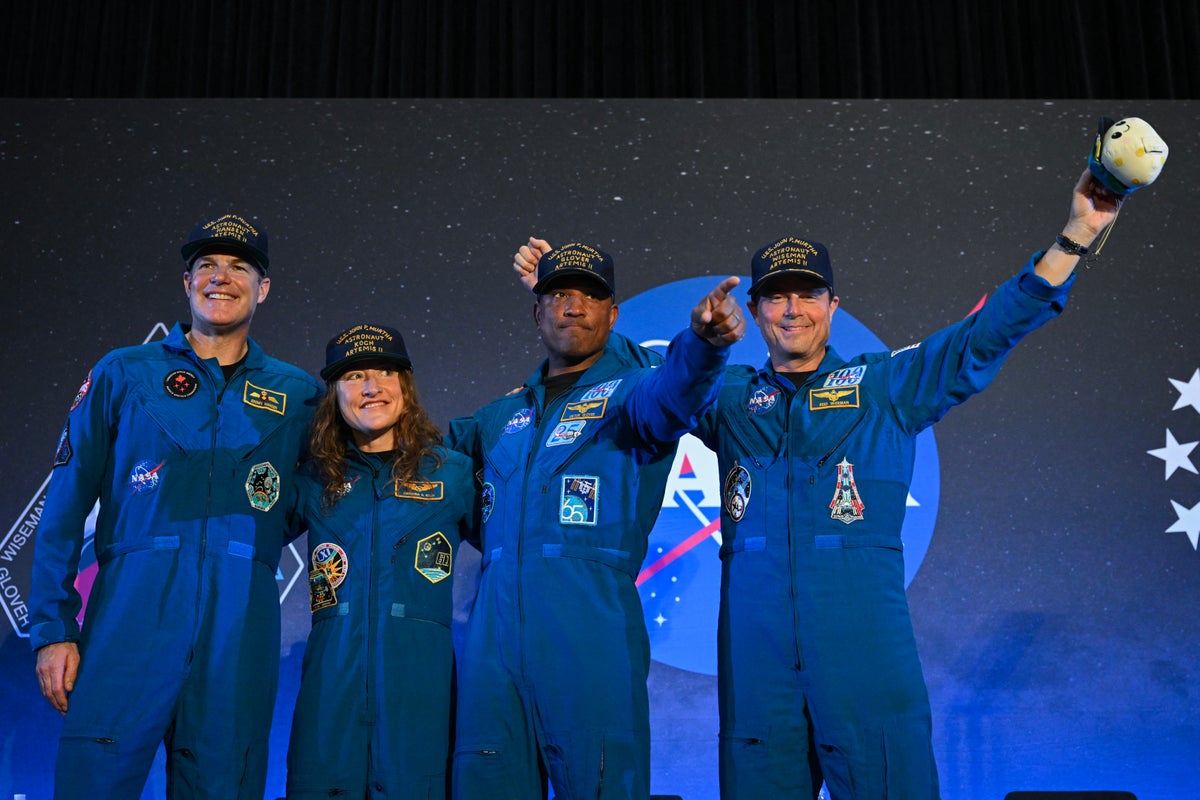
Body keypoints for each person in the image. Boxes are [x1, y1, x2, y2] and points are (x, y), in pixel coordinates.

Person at [513, 168, 1123, 799]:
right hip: (757, 661)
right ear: (755, 311)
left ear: (833, 305)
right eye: (776, 297)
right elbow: (649, 375)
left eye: (808, 294)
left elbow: (984, 335)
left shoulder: (884, 386)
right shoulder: (727, 397)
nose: (792, 310)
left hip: (863, 650)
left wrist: (1075, 236)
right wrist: (563, 301)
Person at [28, 214, 323, 799]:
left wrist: (248, 541)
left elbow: (311, 500)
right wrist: (53, 630)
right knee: (94, 783)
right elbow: (64, 504)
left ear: (263, 288)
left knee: (224, 783)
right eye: (206, 265)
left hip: (239, 622)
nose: (221, 277)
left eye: (239, 267)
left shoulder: (298, 394)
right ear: (187, 283)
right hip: (131, 614)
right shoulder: (124, 371)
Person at [447, 242, 746, 799]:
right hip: (494, 650)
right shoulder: (496, 418)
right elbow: (418, 466)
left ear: (613, 315)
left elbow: (677, 390)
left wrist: (704, 346)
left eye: (590, 296)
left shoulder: (632, 395)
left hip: (591, 641)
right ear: (536, 312)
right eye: (559, 294)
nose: (573, 305)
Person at [285, 323, 475, 799]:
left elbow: (513, 552)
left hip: (420, 700)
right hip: (330, 700)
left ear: (405, 385)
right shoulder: (312, 479)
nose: (372, 387)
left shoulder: (452, 473)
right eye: (354, 376)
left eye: (385, 372)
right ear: (334, 395)